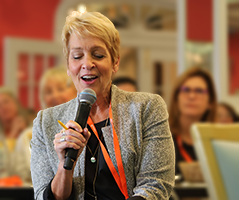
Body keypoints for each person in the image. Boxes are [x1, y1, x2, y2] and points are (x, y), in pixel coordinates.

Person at [31, 11, 174, 200]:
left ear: (115, 62)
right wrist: (64, 166)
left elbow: (156, 185)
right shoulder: (45, 122)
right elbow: (43, 196)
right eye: (77, 56)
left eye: (98, 55)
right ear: (68, 66)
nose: (87, 64)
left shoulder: (147, 108)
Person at [168, 67, 217, 174]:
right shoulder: (161, 138)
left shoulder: (218, 143)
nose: (191, 96)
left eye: (199, 91)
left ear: (211, 102)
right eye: (186, 90)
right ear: (176, 98)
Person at [0, 87, 31, 178]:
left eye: (6, 102)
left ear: (16, 103)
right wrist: (12, 134)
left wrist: (23, 134)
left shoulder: (31, 127)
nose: (3, 107)